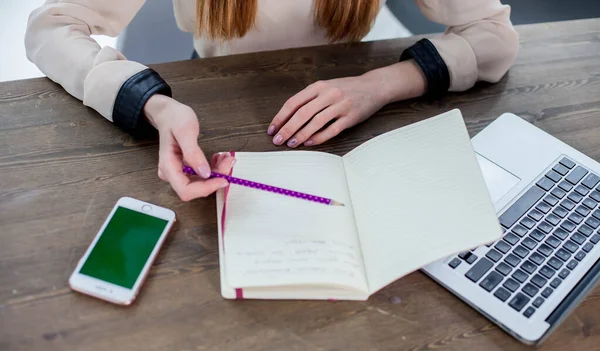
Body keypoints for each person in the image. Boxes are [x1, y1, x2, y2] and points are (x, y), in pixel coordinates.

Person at [25, 0, 519, 201]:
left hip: (351, 118)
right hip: (221, 110)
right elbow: (51, 28)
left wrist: (381, 84)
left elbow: (494, 38)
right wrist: (154, 104)